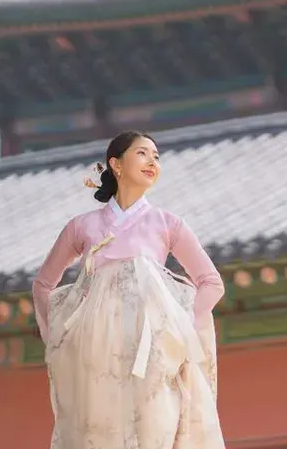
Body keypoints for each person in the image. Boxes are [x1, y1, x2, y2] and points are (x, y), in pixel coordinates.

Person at [32, 130, 226, 449]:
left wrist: (178, 328)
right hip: (96, 353)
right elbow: (43, 284)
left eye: (157, 156)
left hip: (150, 349)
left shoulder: (167, 223)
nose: (153, 161)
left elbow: (211, 283)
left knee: (156, 430)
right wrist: (60, 335)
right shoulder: (82, 227)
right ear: (116, 165)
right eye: (142, 153)